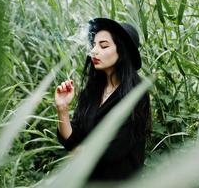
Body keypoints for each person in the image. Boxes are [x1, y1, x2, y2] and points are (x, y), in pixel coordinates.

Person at [54, 18, 151, 181]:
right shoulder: (92, 91)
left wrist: (76, 150)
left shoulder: (136, 94)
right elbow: (71, 138)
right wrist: (62, 109)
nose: (93, 51)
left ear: (122, 50)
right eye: (94, 45)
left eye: (104, 46)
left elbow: (110, 153)